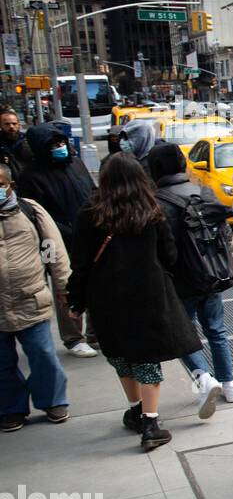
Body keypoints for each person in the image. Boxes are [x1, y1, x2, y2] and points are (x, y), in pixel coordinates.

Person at [67, 153, 202, 451]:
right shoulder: (151, 210)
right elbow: (170, 256)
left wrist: (75, 300)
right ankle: (151, 423)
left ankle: (135, 410)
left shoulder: (89, 214)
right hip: (149, 296)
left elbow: (80, 264)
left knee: (121, 357)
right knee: (147, 360)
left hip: (107, 299)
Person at [147, 143, 233, 417]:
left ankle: (203, 378)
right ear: (182, 164)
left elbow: (161, 250)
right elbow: (223, 234)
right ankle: (230, 384)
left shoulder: (157, 203)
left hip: (180, 281)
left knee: (181, 334)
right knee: (217, 329)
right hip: (212, 275)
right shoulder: (204, 192)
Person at [0, 163, 71, 432]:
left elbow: (52, 249)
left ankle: (53, 401)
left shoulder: (30, 211)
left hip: (31, 298)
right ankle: (11, 408)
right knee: (2, 363)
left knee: (42, 354)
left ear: (10, 186)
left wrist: (63, 286)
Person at [18, 123, 98, 359]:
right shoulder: (31, 177)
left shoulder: (76, 164)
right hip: (57, 242)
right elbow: (35, 214)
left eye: (61, 143)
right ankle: (74, 337)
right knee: (66, 286)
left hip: (88, 236)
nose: (60, 148)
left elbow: (92, 192)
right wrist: (65, 231)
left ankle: (95, 332)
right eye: (53, 145)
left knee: (95, 282)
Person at [0, 109, 34, 182]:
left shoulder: (29, 141)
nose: (11, 126)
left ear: (18, 124)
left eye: (14, 123)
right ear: (1, 125)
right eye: (7, 124)